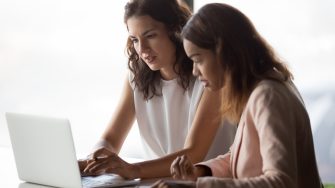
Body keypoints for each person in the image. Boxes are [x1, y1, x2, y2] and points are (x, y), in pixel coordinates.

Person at [152, 3, 323, 188]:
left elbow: (281, 182)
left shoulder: (267, 97)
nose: (194, 71)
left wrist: (196, 187)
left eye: (198, 59)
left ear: (224, 52)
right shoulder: (259, 90)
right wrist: (200, 173)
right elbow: (241, 155)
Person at [78, 0, 235, 180]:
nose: (142, 49)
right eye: (135, 40)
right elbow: (111, 139)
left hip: (204, 183)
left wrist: (132, 169)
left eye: (150, 36)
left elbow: (193, 154)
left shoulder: (209, 74)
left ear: (175, 31)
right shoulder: (136, 75)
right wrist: (93, 158)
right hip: (156, 183)